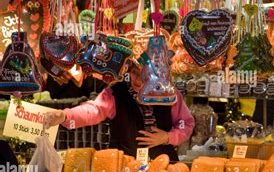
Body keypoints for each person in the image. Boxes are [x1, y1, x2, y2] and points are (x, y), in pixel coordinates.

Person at [44, 63, 195, 161]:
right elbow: (93, 110)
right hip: (124, 167)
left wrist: (168, 137)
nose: (138, 80)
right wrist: (65, 115)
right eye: (135, 73)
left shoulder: (169, 93)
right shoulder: (116, 93)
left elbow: (186, 123)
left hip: (165, 165)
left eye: (145, 76)